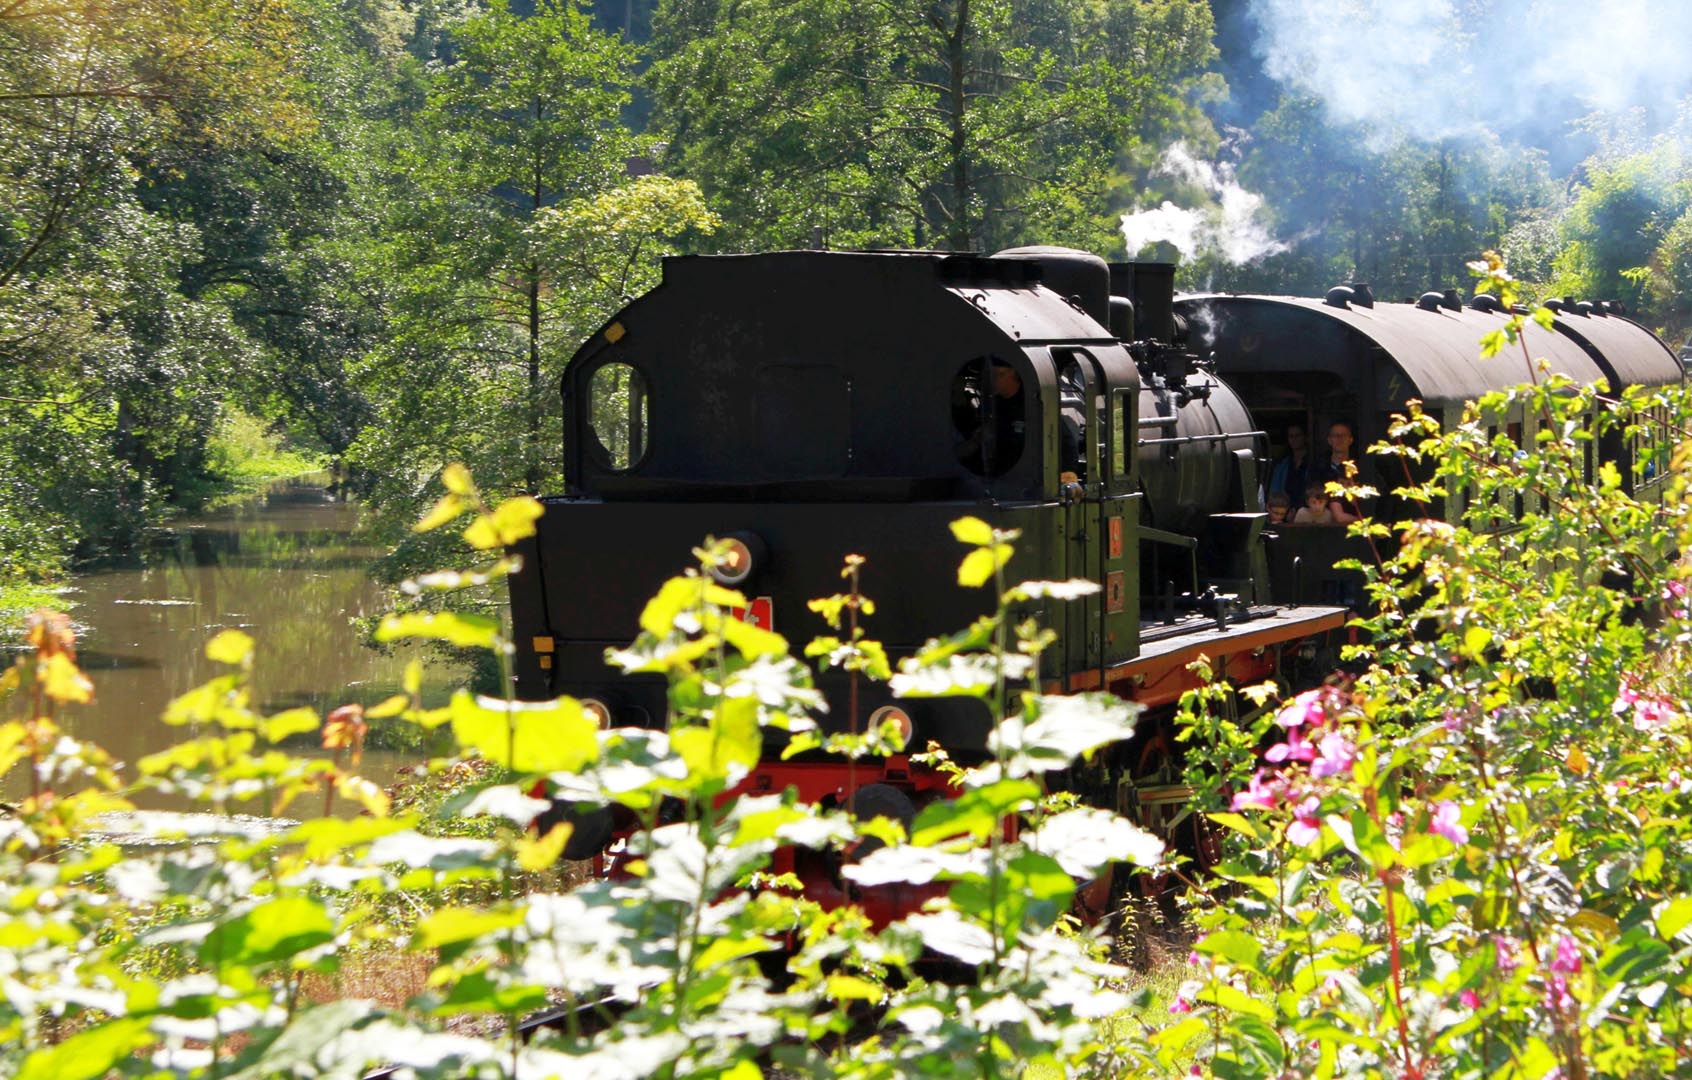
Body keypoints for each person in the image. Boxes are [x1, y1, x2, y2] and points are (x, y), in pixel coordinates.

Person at [953, 360, 1026, 475]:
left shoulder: (1029, 404)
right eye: (989, 375)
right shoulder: (991, 403)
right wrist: (976, 439)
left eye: (999, 375)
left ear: (1013, 374)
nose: (992, 381)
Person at [1316, 420, 1363, 525]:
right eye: (1335, 436)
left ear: (1350, 440)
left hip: (1357, 526)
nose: (1339, 439)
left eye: (1343, 436)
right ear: (1329, 440)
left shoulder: (1361, 467)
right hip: (1324, 525)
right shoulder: (1319, 468)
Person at [1268, 423, 1311, 501]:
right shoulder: (1282, 465)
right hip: (1285, 509)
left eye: (1298, 435)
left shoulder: (1314, 462)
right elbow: (1274, 492)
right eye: (1291, 436)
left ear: (1305, 437)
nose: (1294, 439)